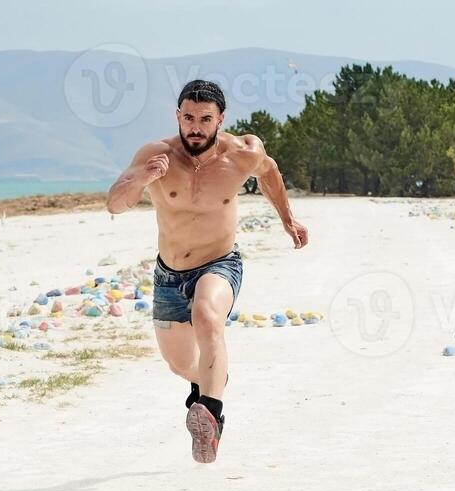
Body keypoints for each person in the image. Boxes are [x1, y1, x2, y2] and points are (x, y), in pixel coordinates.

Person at [105, 79, 310, 463]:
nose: (195, 127)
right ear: (177, 116)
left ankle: (210, 414)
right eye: (188, 118)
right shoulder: (156, 154)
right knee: (180, 364)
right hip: (169, 274)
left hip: (219, 263)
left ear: (221, 119)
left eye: (204, 119)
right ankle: (208, 383)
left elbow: (270, 173)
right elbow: (115, 204)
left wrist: (288, 218)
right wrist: (143, 178)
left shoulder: (242, 153)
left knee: (207, 315)